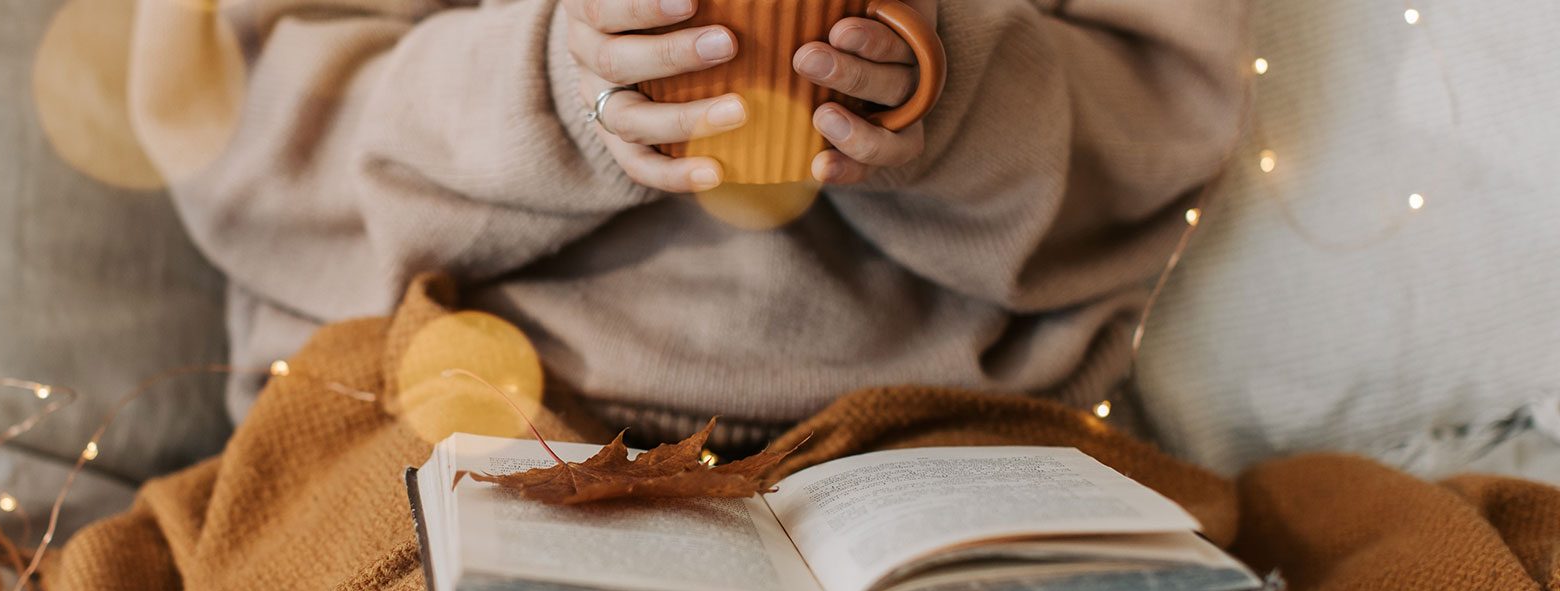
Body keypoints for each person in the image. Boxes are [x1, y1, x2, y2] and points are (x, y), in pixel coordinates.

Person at [172, 0, 1248, 453]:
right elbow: (247, 132)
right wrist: (553, 85)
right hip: (449, 413)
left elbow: (1164, 119)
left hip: (940, 433)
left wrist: (955, 89)